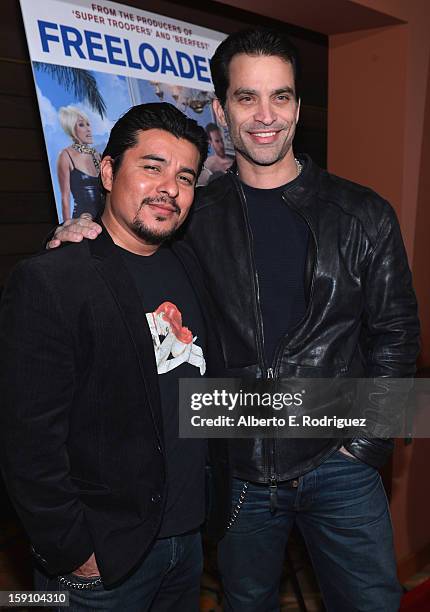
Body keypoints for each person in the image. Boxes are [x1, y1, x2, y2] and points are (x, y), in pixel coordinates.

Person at [47, 28, 420, 612]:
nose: (265, 115)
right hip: (236, 468)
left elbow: (397, 334)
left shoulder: (364, 212)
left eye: (281, 97)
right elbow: (127, 245)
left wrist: (365, 446)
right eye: (247, 98)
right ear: (221, 109)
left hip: (342, 465)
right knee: (246, 602)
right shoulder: (191, 214)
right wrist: (81, 230)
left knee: (372, 603)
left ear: (298, 106)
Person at [0, 102, 222, 611]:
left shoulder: (193, 265)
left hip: (187, 546)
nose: (170, 187)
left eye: (185, 176)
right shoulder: (52, 279)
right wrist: (75, 549)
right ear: (106, 171)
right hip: (103, 561)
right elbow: (27, 440)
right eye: (152, 167)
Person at [57, 105, 102, 221]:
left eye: (88, 124)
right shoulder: (66, 155)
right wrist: (67, 226)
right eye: (81, 125)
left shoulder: (96, 155)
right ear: (72, 129)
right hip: (82, 220)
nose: (88, 129)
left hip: (104, 218)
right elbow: (65, 197)